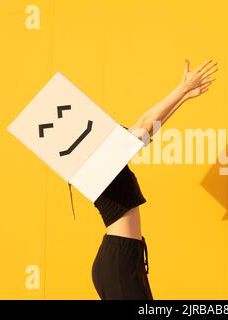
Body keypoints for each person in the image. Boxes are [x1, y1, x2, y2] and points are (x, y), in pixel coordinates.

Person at [91, 59, 218, 300]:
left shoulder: (104, 160)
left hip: (125, 257)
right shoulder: (97, 164)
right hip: (119, 261)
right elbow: (143, 128)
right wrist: (181, 89)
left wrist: (184, 96)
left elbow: (145, 126)